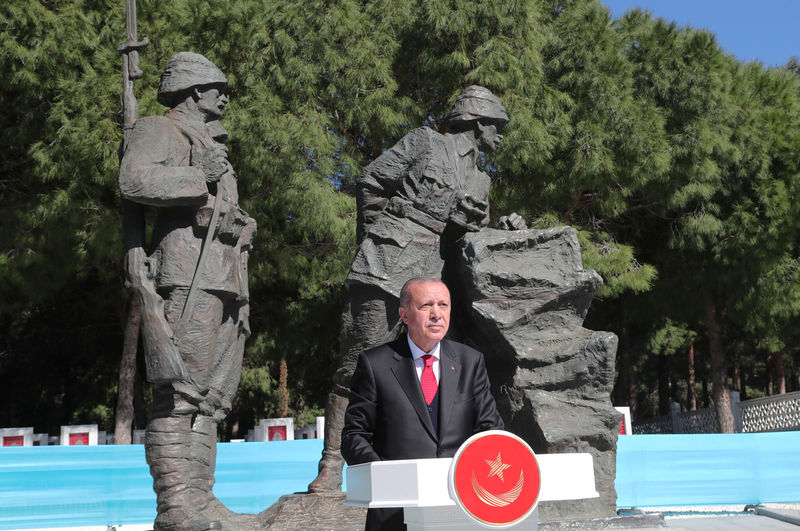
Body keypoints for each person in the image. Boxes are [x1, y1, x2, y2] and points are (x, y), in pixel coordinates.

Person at [311, 86, 522, 493]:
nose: (501, 135)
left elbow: (469, 238)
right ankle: (330, 469)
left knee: (431, 373)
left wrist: (496, 227)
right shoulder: (425, 142)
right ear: (478, 122)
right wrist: (381, 236)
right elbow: (371, 181)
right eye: (498, 126)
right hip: (386, 268)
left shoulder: (481, 180)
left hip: (432, 283)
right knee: (355, 368)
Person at [119, 52, 256, 531]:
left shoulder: (209, 139)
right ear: (195, 91)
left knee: (210, 398)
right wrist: (200, 176)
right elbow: (133, 179)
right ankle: (176, 505)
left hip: (223, 270)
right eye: (217, 88)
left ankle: (200, 498)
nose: (223, 97)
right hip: (186, 268)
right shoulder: (161, 128)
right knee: (179, 393)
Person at [342, 276, 504, 531]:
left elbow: (491, 431)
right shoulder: (375, 365)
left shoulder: (470, 362)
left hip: (459, 506)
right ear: (404, 315)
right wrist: (386, 478)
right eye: (426, 305)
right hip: (395, 511)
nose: (437, 314)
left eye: (443, 305)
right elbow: (354, 435)